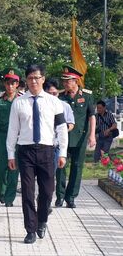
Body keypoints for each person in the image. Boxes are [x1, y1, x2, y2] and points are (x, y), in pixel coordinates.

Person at [7, 64, 68, 244]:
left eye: (37, 77)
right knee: (27, 192)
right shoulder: (19, 102)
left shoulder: (54, 102)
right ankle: (30, 229)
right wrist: (10, 154)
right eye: (31, 78)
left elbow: (62, 129)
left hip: (47, 150)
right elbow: (13, 130)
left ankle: (42, 220)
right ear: (26, 80)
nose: (34, 81)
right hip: (25, 151)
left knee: (48, 191)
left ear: (43, 79)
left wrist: (63, 152)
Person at [56, 65, 96, 209]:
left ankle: (71, 197)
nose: (66, 83)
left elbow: (92, 116)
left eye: (69, 80)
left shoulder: (86, 96)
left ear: (76, 81)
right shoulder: (60, 97)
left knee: (77, 168)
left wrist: (92, 135)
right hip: (63, 138)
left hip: (80, 138)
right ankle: (60, 196)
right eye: (64, 81)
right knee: (60, 167)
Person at [0, 68, 22, 207]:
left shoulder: (22, 101)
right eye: (8, 83)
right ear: (4, 84)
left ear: (17, 84)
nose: (10, 86)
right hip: (2, 136)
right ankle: (2, 191)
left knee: (14, 167)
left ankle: (10, 197)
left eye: (13, 83)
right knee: (1, 167)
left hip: (18, 138)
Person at [43, 78, 75, 171]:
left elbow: (71, 123)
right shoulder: (38, 105)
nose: (53, 96)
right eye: (50, 94)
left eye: (55, 93)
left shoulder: (65, 106)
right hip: (40, 145)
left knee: (50, 174)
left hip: (56, 144)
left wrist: (63, 129)